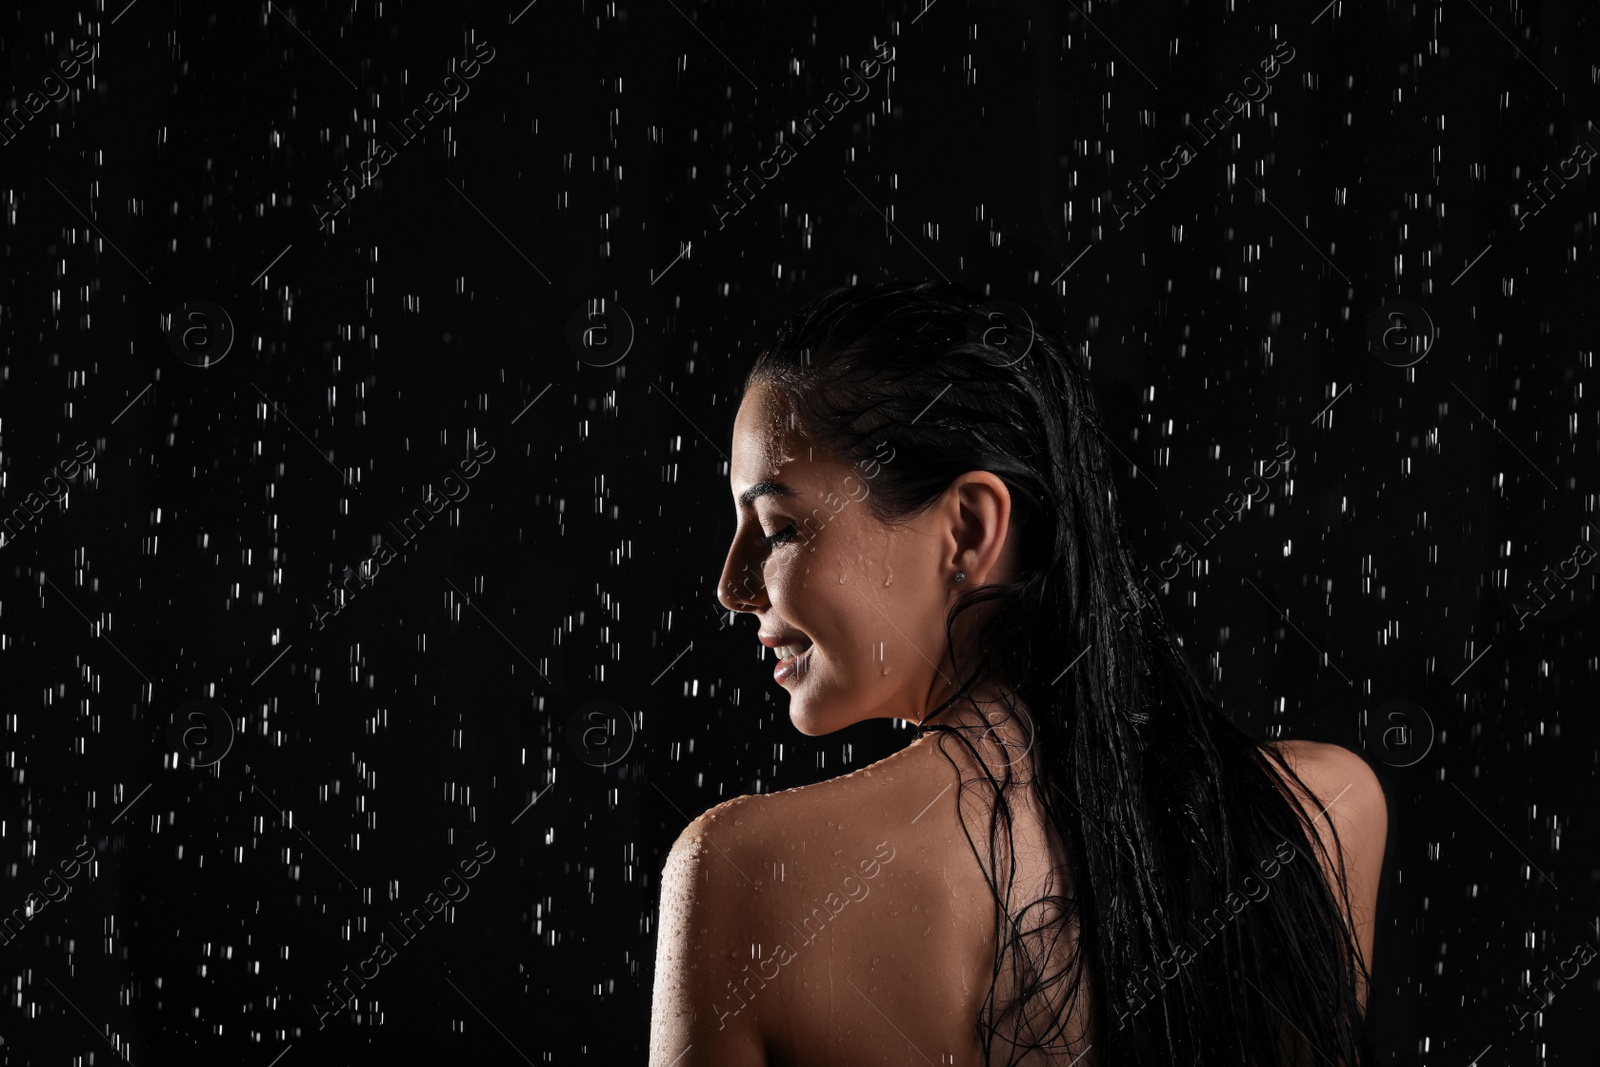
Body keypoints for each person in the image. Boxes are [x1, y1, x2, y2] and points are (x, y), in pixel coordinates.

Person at [649, 281, 1387, 1066]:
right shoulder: (1319, 815)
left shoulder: (745, 874)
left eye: (777, 526)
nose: (732, 585)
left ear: (966, 528)